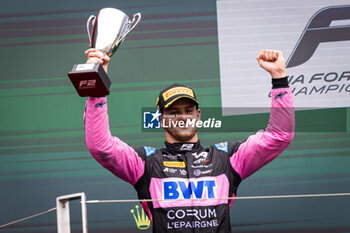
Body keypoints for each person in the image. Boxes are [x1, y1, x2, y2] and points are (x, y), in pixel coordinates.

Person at [84, 48, 295, 233]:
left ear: (198, 115)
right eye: (174, 112)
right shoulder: (145, 162)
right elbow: (100, 146)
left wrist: (279, 78)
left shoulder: (227, 158)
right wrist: (96, 87)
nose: (183, 117)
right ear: (162, 119)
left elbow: (279, 137)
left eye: (188, 110)